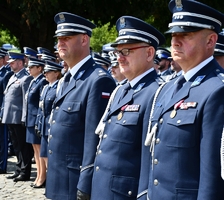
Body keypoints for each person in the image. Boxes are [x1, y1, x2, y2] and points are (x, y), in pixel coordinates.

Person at [138, 0, 224, 199]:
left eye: (185, 35)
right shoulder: (166, 88)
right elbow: (151, 154)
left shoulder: (217, 90)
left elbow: (212, 174)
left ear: (210, 41)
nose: (175, 42)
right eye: (174, 35)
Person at [90, 16, 165, 200]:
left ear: (149, 53)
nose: (120, 57)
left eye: (127, 51)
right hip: (103, 189)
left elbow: (151, 161)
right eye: (118, 52)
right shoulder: (120, 90)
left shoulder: (156, 92)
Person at [45, 12, 116, 200]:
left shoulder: (97, 81)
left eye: (66, 38)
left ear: (84, 40)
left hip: (74, 181)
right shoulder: (67, 79)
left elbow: (95, 139)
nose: (60, 43)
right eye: (59, 39)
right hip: (58, 177)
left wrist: (85, 184)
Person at [0, 51, 33, 182]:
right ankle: (19, 169)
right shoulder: (12, 77)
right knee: (16, 145)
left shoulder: (26, 78)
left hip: (19, 117)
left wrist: (24, 117)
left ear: (20, 63)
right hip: (10, 116)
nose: (10, 65)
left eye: (12, 63)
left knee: (23, 146)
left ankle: (25, 171)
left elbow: (26, 101)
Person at [34, 60, 63, 189]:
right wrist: (38, 124)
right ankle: (50, 181)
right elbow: (41, 109)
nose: (45, 74)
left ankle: (53, 183)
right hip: (44, 126)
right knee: (44, 155)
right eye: (45, 71)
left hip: (52, 127)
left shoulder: (59, 88)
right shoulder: (46, 87)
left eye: (48, 71)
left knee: (52, 157)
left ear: (56, 73)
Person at [25, 57, 48, 188]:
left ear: (39, 68)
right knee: (35, 149)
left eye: (32, 67)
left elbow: (41, 104)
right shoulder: (34, 81)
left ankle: (42, 177)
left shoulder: (42, 82)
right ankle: (39, 175)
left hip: (36, 119)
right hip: (30, 118)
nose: (29, 69)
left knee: (39, 150)